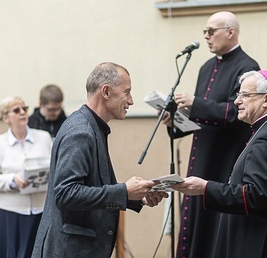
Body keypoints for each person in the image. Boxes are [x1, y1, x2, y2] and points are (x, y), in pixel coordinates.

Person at [32, 62, 168, 257]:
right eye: (127, 92)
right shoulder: (81, 132)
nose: (131, 101)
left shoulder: (91, 126)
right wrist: (123, 191)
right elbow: (66, 194)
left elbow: (93, 186)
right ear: (106, 92)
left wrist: (136, 197)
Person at [173, 70, 267, 257]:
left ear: (266, 100)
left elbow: (254, 196)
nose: (237, 101)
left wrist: (205, 188)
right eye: (238, 95)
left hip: (261, 244)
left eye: (245, 95)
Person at [161, 11, 260, 257]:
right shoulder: (206, 68)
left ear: (231, 32)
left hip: (224, 162)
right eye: (204, 32)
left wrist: (195, 104)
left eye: (211, 31)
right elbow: (199, 120)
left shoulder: (248, 67)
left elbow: (233, 113)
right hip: (201, 159)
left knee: (214, 227)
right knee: (195, 226)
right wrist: (174, 121)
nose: (206, 36)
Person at [0, 96, 53, 258]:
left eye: (24, 108)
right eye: (16, 110)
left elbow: (55, 168)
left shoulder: (43, 138)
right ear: (6, 118)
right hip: (11, 212)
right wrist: (12, 180)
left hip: (41, 209)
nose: (22, 113)